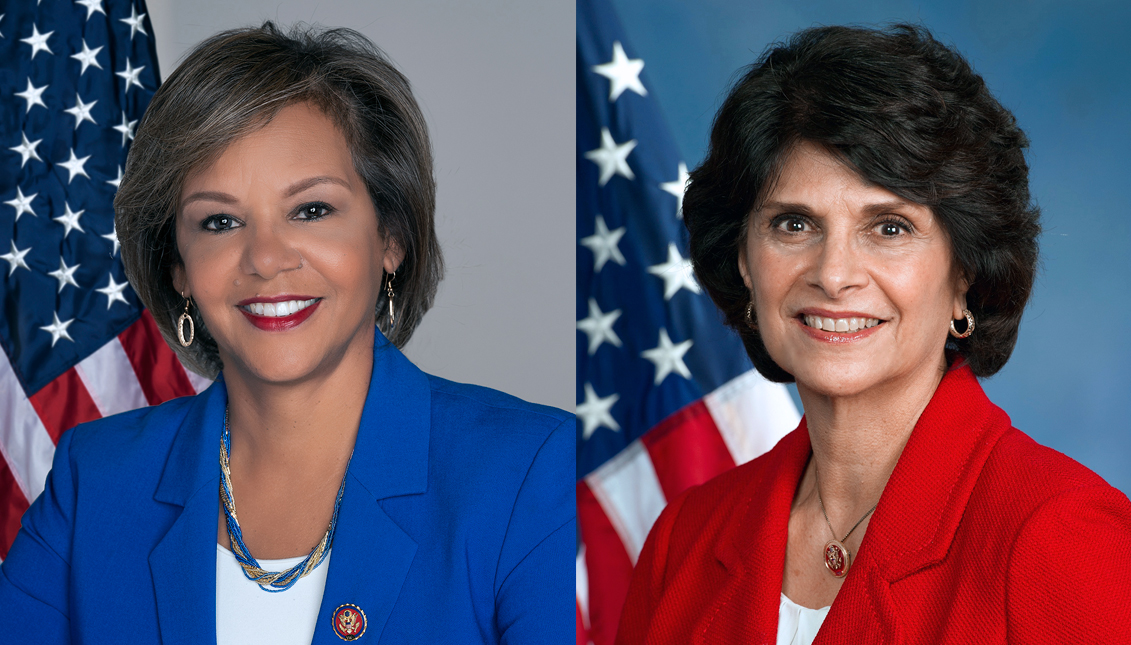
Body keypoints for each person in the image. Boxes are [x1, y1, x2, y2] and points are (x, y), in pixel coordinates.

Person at [0, 23, 573, 644]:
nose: (266, 259)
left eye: (311, 210)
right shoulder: (97, 480)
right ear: (179, 269)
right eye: (220, 221)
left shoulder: (530, 476)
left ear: (391, 238)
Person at [615, 24, 1131, 644]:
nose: (833, 276)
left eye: (888, 228)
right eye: (794, 223)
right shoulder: (685, 541)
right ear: (745, 262)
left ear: (964, 270)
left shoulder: (1060, 537)